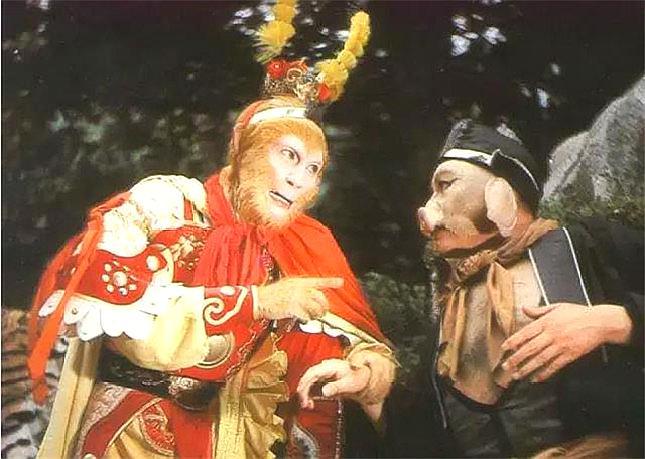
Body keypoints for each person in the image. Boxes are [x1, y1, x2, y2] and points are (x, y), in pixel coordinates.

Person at [28, 6, 396, 458]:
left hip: (237, 441)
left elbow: (355, 343)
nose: (299, 180)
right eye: (289, 155)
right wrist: (256, 302)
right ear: (242, 149)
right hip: (136, 437)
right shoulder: (166, 202)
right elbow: (129, 329)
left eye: (314, 168)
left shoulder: (306, 244)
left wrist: (367, 372)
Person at [298, 120, 643, 457]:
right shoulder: (449, 321)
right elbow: (422, 446)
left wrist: (616, 321)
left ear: (501, 191)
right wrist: (371, 397)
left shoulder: (586, 247)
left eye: (445, 185)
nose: (428, 207)